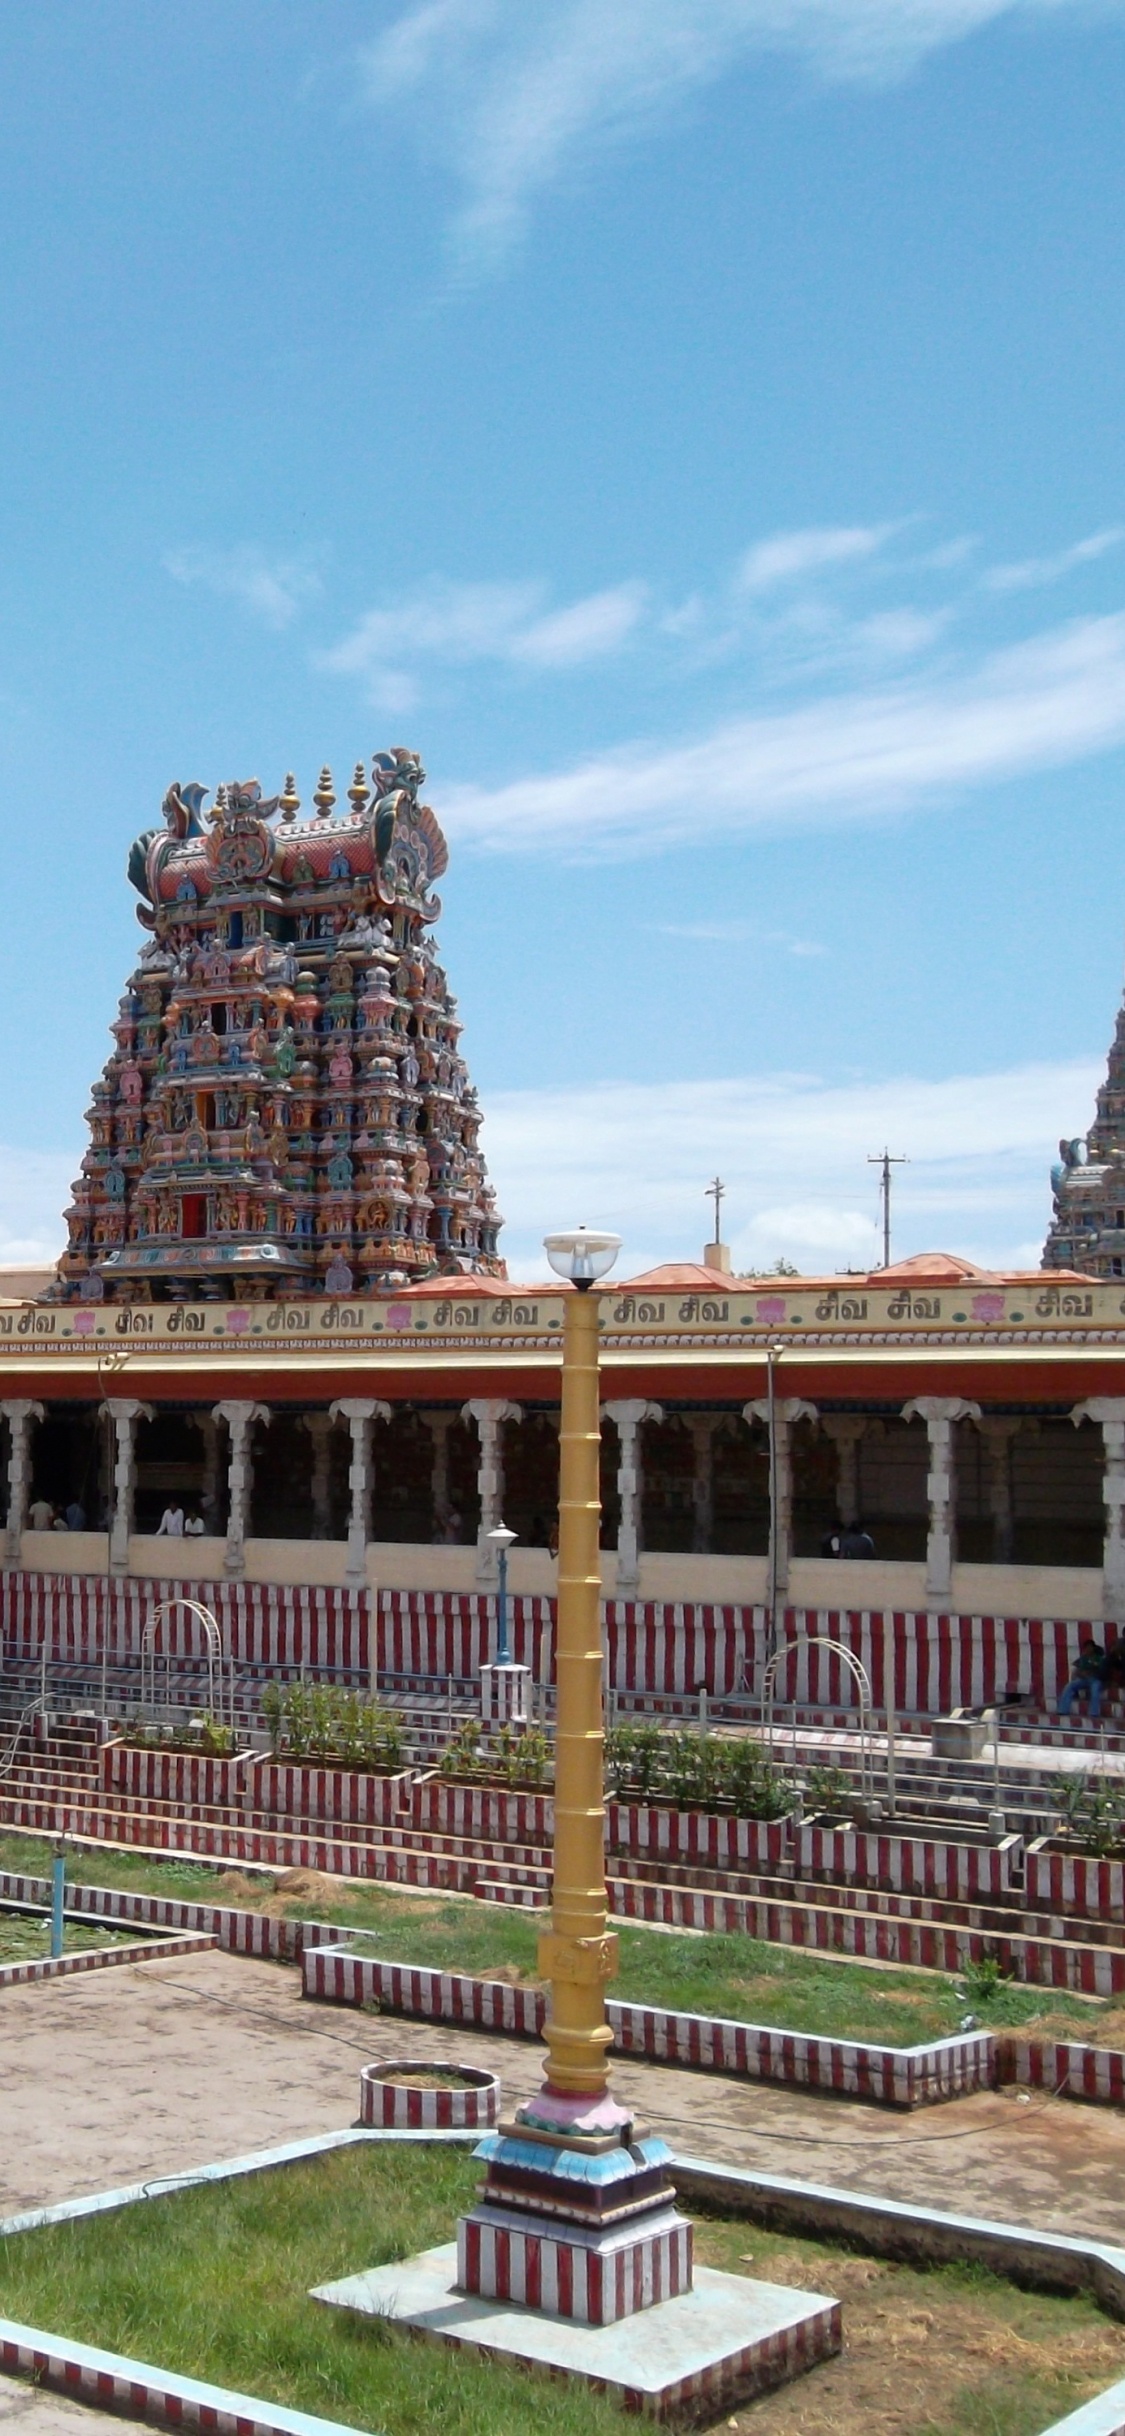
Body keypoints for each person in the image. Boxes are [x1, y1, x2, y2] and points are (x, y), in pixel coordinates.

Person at [1059, 1639, 1107, 1720]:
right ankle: (1062, 1710)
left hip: (1096, 1679)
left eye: (1090, 1647)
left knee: (1095, 1689)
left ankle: (1094, 1713)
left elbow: (1101, 1670)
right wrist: (1082, 1674)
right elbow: (1079, 1670)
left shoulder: (1099, 1658)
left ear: (1093, 1648)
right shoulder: (1083, 1658)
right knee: (1069, 1686)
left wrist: (1092, 1670)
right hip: (1084, 1679)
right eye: (1087, 1648)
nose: (1088, 1649)